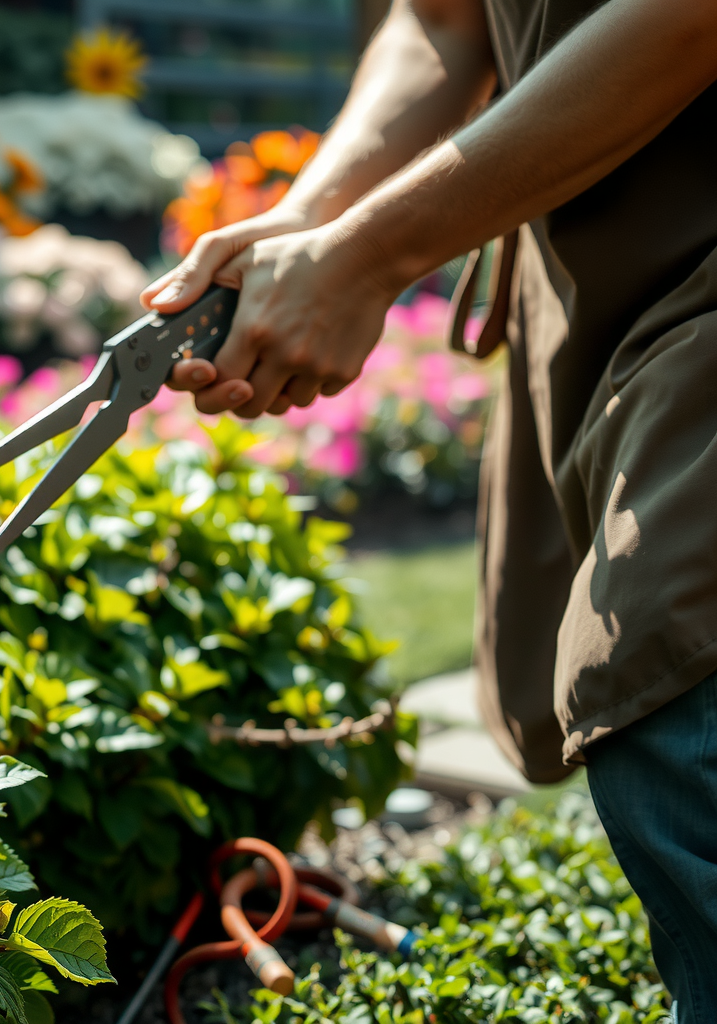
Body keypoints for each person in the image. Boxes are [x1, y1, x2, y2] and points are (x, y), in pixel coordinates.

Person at [144, 0, 717, 1014]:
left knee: (675, 675)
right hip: (605, 287)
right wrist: (315, 215)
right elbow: (446, 19)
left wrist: (369, 253)